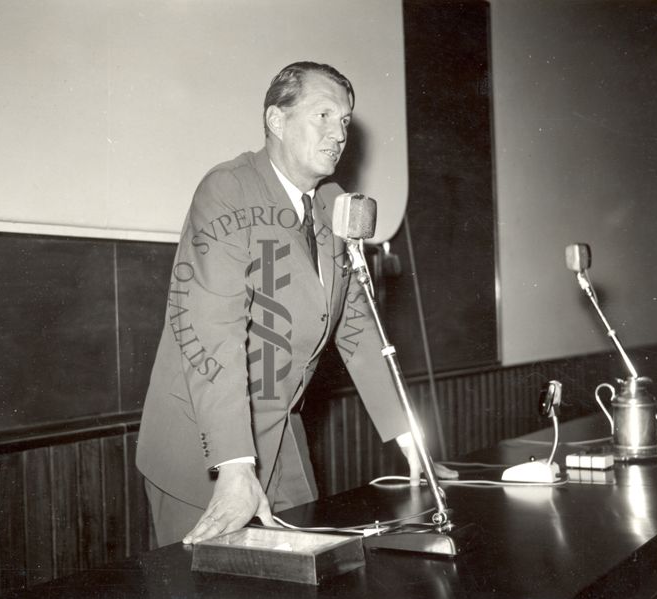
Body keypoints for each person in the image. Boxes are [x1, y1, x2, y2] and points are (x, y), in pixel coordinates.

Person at [136, 61, 454, 548]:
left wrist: (411, 440)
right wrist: (235, 465)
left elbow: (356, 325)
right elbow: (212, 333)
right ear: (276, 121)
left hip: (281, 433)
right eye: (323, 115)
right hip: (203, 446)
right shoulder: (227, 191)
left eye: (345, 120)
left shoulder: (333, 202)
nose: (339, 132)